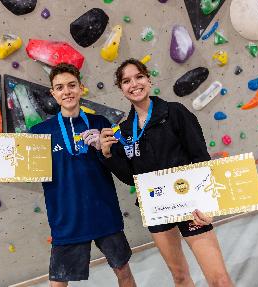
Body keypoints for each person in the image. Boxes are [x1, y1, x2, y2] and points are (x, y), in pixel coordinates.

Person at [0, 63, 136, 287]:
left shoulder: (100, 123)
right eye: (60, 87)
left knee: (123, 272)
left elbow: (120, 161)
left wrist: (103, 148)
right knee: (58, 284)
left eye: (71, 85)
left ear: (81, 88)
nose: (66, 91)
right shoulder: (40, 133)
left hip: (104, 213)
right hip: (66, 220)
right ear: (53, 94)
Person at [99, 58, 233, 287]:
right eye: (126, 81)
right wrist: (109, 155)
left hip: (192, 204)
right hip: (158, 209)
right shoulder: (124, 131)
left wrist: (208, 203)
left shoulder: (175, 112)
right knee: (180, 277)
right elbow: (132, 177)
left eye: (139, 77)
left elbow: (200, 157)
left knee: (219, 279)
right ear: (121, 88)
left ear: (148, 79)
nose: (134, 84)